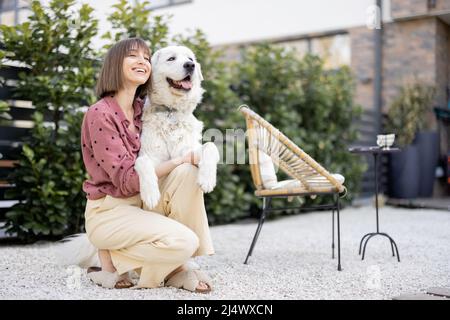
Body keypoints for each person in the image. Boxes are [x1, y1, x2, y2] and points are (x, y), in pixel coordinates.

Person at [80, 38, 214, 292]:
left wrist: (200, 156)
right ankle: (108, 262)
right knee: (185, 242)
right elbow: (128, 180)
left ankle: (172, 269)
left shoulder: (143, 110)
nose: (141, 61)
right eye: (133, 56)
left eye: (145, 56)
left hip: (140, 206)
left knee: (188, 172)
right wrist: (179, 159)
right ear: (114, 65)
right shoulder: (100, 113)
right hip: (110, 211)